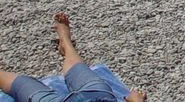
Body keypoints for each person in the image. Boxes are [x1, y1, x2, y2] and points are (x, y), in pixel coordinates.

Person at [0, 14, 146, 102]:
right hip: (98, 96)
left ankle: (66, 43)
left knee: (23, 84)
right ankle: (66, 43)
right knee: (77, 69)